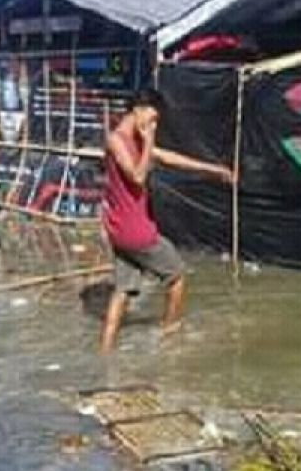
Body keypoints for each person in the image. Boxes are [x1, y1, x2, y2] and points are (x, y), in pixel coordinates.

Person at [99, 88, 236, 353]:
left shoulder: (134, 139)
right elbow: (138, 178)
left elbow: (170, 158)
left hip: (119, 230)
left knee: (123, 291)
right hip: (136, 231)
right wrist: (149, 139)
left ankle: (105, 353)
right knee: (177, 276)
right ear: (138, 109)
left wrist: (215, 170)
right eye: (152, 118)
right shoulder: (117, 139)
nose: (154, 124)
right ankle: (169, 336)